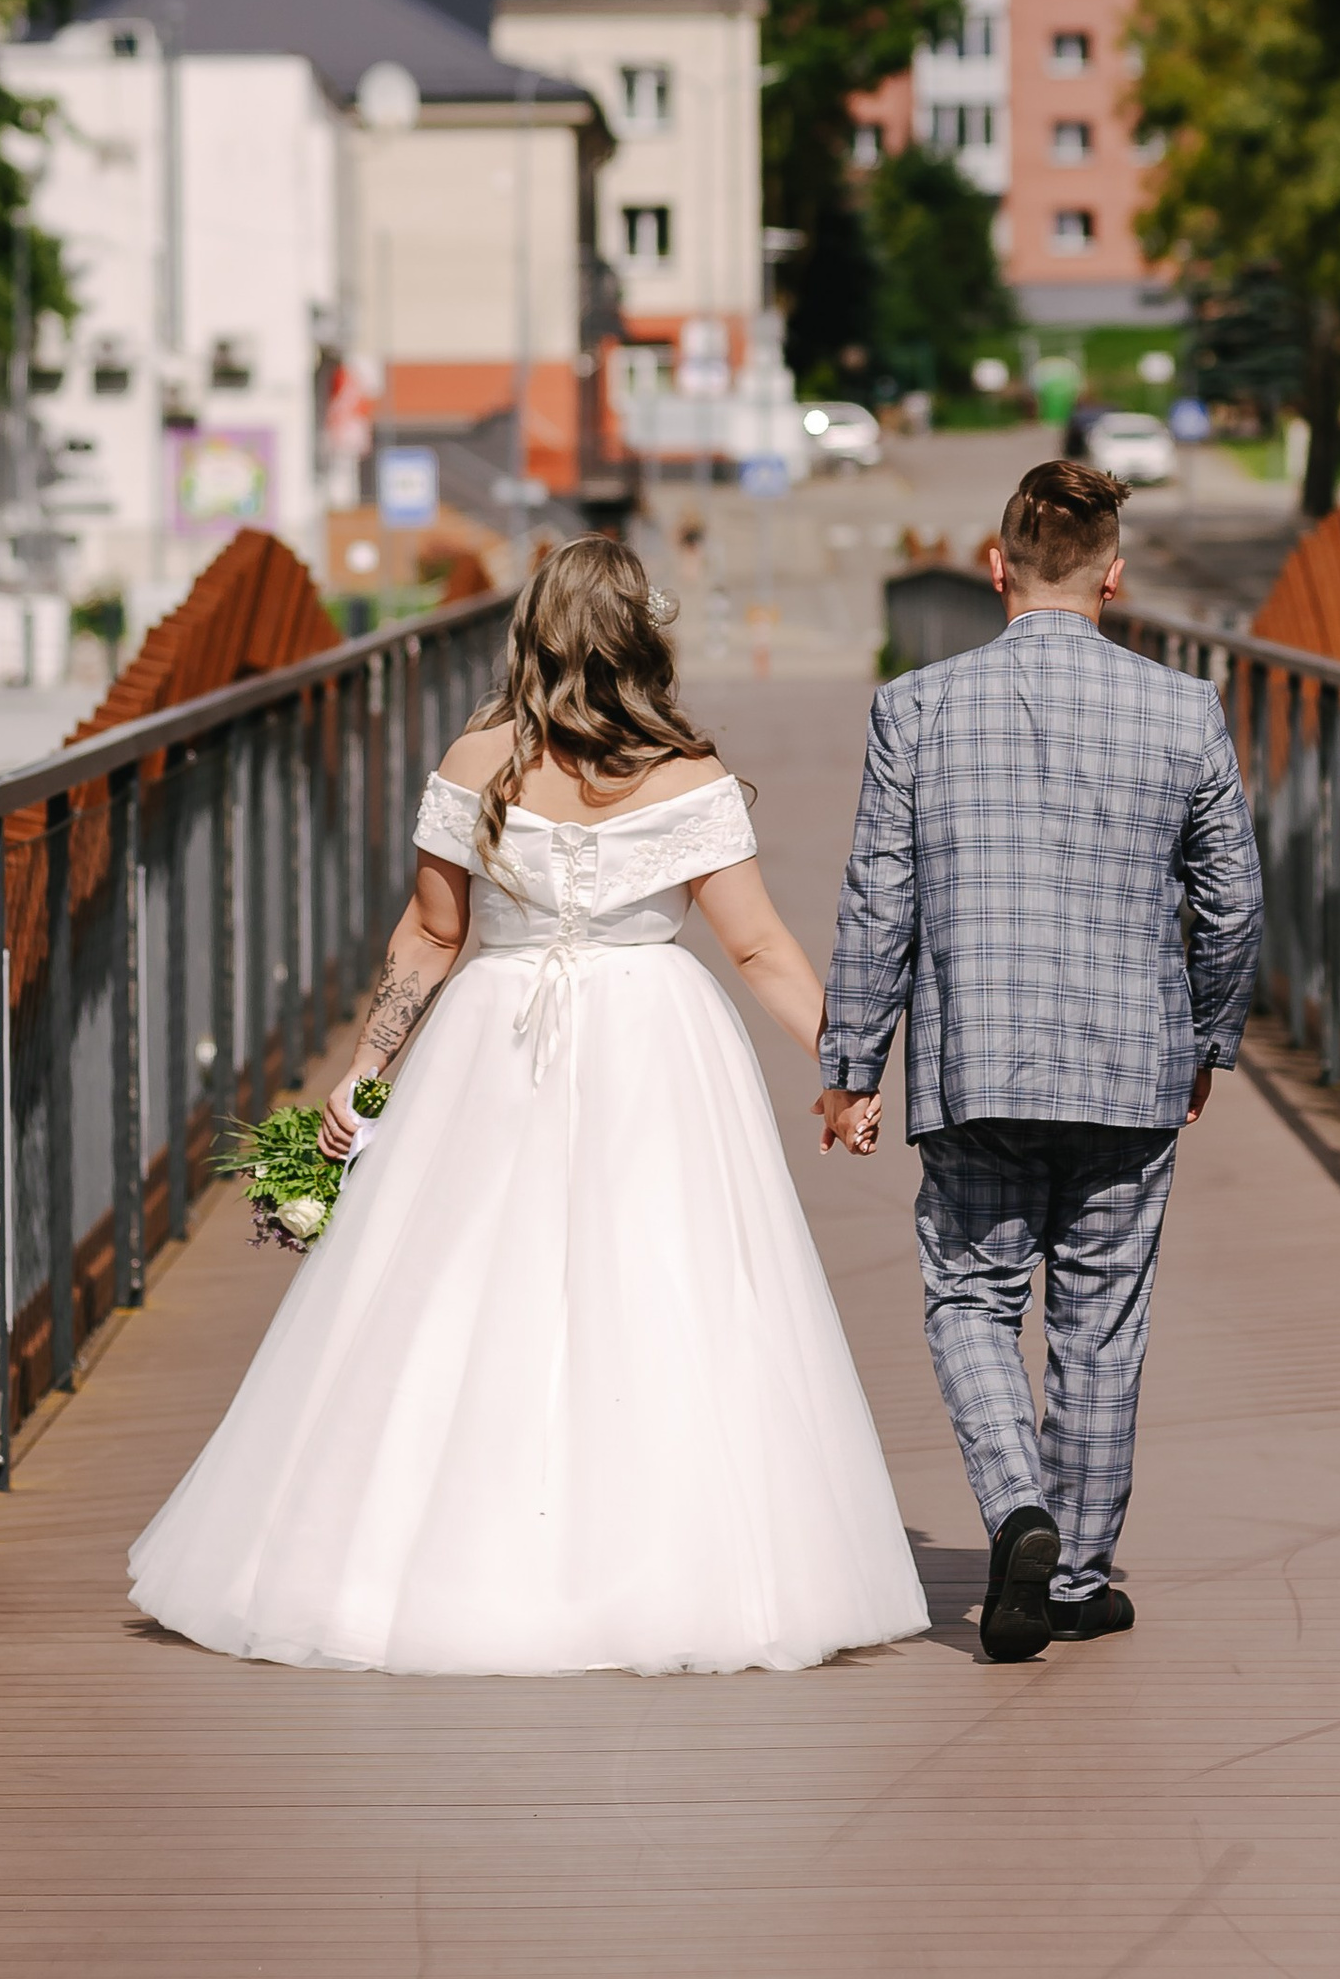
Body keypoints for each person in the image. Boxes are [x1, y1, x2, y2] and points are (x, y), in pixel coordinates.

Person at [130, 533, 929, 1677]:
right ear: (642, 633)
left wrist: (361, 1082)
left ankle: (427, 1560)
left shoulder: (476, 760)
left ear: (534, 630)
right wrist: (844, 1068)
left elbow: (432, 934)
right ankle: (679, 1568)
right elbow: (757, 947)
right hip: (658, 1038)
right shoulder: (688, 772)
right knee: (668, 1280)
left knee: (456, 1288)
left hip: (491, 1043)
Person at [818, 460, 1262, 1662]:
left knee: (972, 1294)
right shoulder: (1185, 710)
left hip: (976, 1062)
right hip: (1131, 1065)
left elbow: (877, 900)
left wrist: (852, 1060)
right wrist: (1206, 1036)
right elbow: (1230, 902)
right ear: (1115, 573)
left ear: (995, 562)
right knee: (1100, 1319)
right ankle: (1072, 1572)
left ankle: (1014, 1500)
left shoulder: (915, 706)